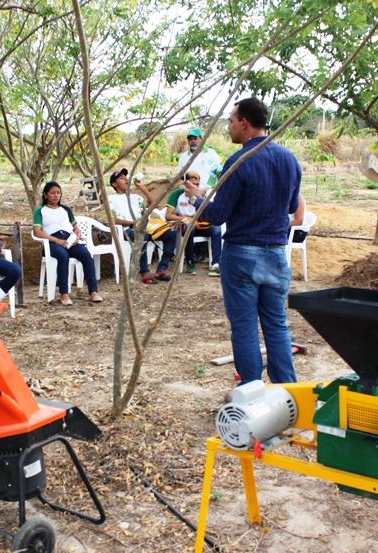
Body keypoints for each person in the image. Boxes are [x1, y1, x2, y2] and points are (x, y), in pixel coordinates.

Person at [183, 97, 301, 384]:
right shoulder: (289, 159)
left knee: (245, 326)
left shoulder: (238, 161)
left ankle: (252, 392)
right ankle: (288, 391)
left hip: (242, 255)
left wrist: (198, 197)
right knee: (277, 325)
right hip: (275, 253)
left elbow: (219, 215)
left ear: (245, 123)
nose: (229, 126)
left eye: (232, 121)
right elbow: (289, 207)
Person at [33, 181, 102, 305]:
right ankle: (64, 294)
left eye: (58, 193)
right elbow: (37, 232)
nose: (56, 195)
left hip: (69, 240)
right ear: (45, 194)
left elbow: (76, 228)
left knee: (86, 254)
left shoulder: (66, 210)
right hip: (52, 242)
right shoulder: (40, 211)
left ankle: (93, 291)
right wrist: (56, 240)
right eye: (52, 193)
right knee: (63, 256)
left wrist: (76, 236)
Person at [107, 168, 177, 283]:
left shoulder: (136, 198)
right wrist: (133, 223)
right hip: (127, 230)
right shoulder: (110, 199)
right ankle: (144, 272)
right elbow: (113, 220)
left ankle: (161, 269)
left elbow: (154, 204)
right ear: (114, 184)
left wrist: (141, 187)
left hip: (145, 228)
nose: (125, 179)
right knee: (141, 234)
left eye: (126, 177)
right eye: (121, 178)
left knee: (171, 234)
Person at [165, 170, 222, 276]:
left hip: (200, 225)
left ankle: (215, 265)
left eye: (197, 185)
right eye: (192, 184)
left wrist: (198, 219)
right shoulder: (176, 194)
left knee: (217, 230)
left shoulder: (200, 195)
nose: (194, 187)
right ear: (184, 184)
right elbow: (168, 216)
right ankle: (190, 262)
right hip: (183, 227)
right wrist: (186, 219)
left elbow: (207, 213)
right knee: (189, 227)